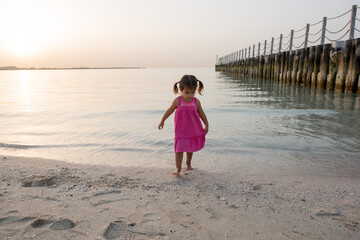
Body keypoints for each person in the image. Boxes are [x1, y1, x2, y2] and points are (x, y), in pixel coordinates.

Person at [158, 75, 209, 176]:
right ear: (181, 89)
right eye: (187, 92)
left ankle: (188, 164)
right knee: (179, 149)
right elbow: (169, 111)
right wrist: (162, 120)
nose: (190, 95)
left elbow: (202, 114)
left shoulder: (196, 102)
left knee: (190, 148)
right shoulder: (178, 101)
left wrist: (206, 124)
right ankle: (178, 169)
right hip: (180, 131)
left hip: (193, 130)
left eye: (192, 92)